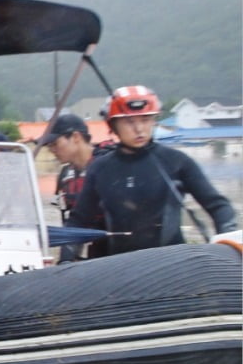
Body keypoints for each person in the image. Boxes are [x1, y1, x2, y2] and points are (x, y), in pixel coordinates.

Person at [67, 86, 236, 255]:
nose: (139, 128)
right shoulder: (100, 168)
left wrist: (227, 244)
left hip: (172, 263)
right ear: (113, 125)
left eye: (145, 120)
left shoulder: (176, 161)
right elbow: (79, 220)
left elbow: (219, 206)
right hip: (121, 265)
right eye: (129, 122)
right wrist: (66, 259)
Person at [38, 114, 110, 261]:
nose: (52, 150)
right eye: (49, 146)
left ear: (76, 137)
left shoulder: (108, 166)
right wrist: (67, 259)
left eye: (55, 144)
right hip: (89, 255)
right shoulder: (65, 176)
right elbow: (71, 222)